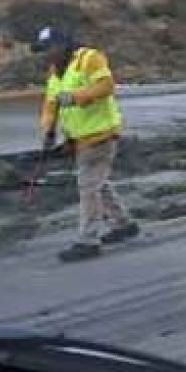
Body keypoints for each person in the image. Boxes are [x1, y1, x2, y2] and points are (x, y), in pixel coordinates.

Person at [34, 26, 139, 261]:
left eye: (49, 48)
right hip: (79, 139)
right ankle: (123, 224)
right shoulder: (55, 72)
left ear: (63, 44)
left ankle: (87, 240)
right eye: (42, 50)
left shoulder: (89, 58)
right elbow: (51, 105)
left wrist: (76, 97)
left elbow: (106, 86)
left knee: (88, 186)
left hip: (101, 135)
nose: (46, 54)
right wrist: (48, 131)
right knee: (97, 183)